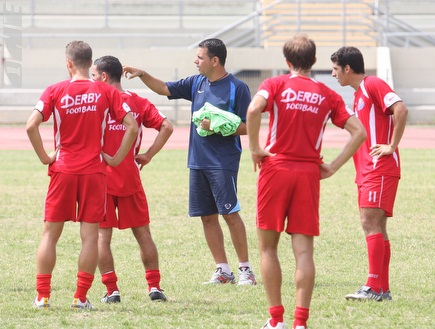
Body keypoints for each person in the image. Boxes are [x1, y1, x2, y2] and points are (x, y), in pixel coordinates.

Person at [247, 35, 366, 329]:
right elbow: (359, 132)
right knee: (303, 252)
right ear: (314, 62)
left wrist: (254, 149)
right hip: (308, 174)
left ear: (287, 62)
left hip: (275, 169)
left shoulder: (274, 85)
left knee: (268, 249)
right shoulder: (327, 94)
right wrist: (333, 167)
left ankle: (276, 320)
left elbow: (252, 110)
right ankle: (301, 322)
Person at [123, 38, 257, 285]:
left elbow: (248, 126)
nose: (196, 61)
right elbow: (164, 88)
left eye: (200, 57)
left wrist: (218, 125)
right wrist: (143, 74)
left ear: (214, 60)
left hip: (222, 162)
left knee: (229, 213)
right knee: (207, 216)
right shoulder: (196, 83)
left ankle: (245, 270)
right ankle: (223, 270)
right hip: (198, 160)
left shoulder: (236, 88)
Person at [26, 41, 138, 310]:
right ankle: (80, 297)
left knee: (50, 234)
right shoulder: (104, 90)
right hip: (94, 172)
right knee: (90, 237)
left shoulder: (55, 90)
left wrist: (45, 157)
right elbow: (132, 126)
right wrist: (116, 158)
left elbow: (31, 125)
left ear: (68, 63)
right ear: (90, 64)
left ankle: (42, 296)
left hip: (63, 169)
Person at [91, 55, 173, 303]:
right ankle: (154, 287)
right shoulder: (138, 102)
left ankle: (111, 291)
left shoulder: (96, 103)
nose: (92, 80)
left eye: (94, 76)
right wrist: (148, 155)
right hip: (130, 178)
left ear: (104, 77)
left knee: (102, 237)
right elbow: (167, 127)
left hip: (101, 180)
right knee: (143, 234)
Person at [330, 46, 408, 301]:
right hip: (366, 170)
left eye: (335, 69)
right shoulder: (358, 94)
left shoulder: (372, 83)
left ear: (348, 69)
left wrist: (391, 146)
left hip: (379, 168)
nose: (333, 75)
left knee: (370, 223)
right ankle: (382, 289)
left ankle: (373, 286)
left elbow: (401, 109)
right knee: (377, 226)